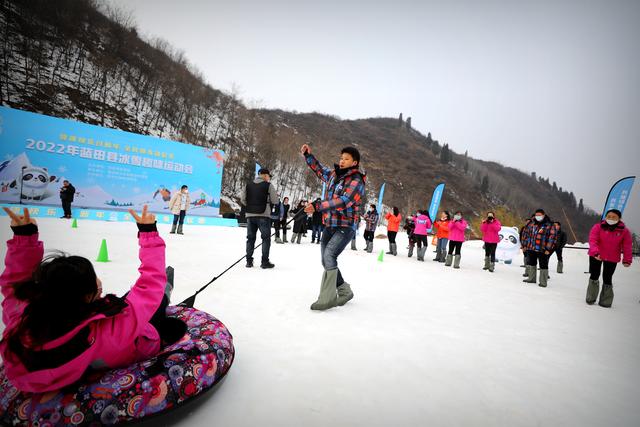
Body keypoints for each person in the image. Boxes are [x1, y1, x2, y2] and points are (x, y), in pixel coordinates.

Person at [0, 206, 184, 392]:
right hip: (141, 345)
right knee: (157, 302)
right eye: (93, 279)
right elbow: (148, 288)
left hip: (59, 372)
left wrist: (24, 237)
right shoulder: (104, 333)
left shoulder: (22, 319)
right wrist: (149, 234)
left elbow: (15, 285)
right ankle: (167, 296)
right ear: (87, 296)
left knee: (130, 302)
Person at [301, 143, 365, 310]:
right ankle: (344, 290)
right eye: (341, 158)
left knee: (329, 254)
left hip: (345, 226)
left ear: (355, 162)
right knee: (325, 259)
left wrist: (318, 206)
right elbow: (320, 170)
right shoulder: (333, 175)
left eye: (346, 159)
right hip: (329, 224)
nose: (342, 161)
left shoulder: (356, 180)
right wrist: (309, 155)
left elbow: (344, 201)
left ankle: (327, 298)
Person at [586, 209, 632, 307]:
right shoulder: (598, 227)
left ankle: (605, 301)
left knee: (607, 277)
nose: (611, 218)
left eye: (614, 217)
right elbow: (593, 240)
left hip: (612, 257)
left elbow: (627, 246)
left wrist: (627, 259)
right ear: (605, 217)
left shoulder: (624, 231)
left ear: (619, 219)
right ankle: (591, 297)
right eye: (609, 216)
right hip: (596, 255)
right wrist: (595, 253)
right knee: (594, 274)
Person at [242, 168, 278, 269]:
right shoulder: (268, 185)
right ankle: (264, 262)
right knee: (266, 239)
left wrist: (250, 206)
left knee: (250, 238)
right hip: (264, 215)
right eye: (268, 176)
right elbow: (275, 200)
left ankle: (249, 261)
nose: (269, 178)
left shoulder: (248, 185)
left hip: (250, 215)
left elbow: (243, 199)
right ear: (264, 175)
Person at [520, 208, 557, 287]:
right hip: (531, 247)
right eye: (536, 215)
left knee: (543, 264)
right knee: (531, 262)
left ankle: (543, 282)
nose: (537, 217)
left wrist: (548, 248)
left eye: (539, 215)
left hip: (542, 249)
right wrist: (524, 245)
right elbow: (525, 234)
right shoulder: (531, 223)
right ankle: (531, 278)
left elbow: (552, 237)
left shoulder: (549, 225)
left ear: (543, 215)